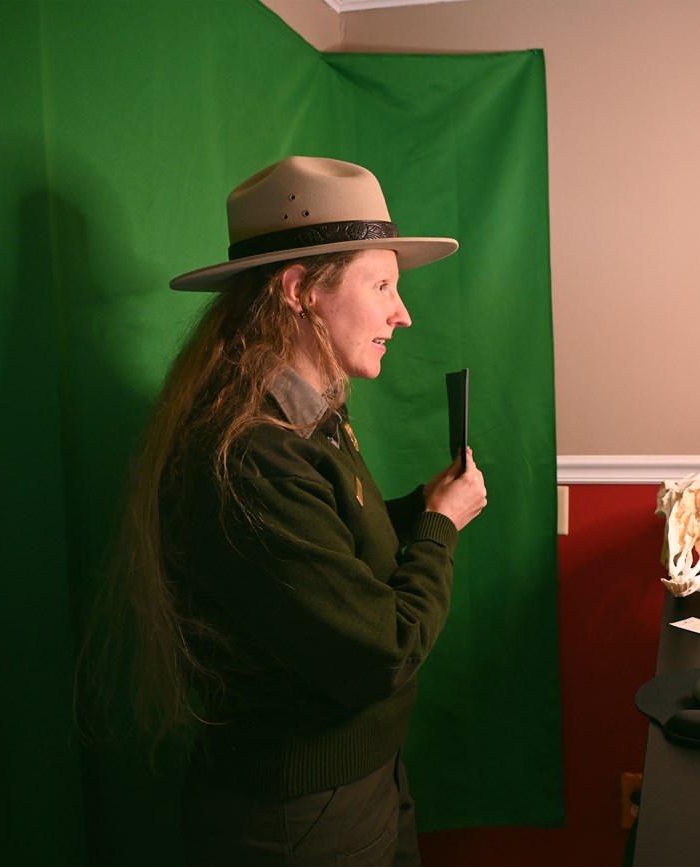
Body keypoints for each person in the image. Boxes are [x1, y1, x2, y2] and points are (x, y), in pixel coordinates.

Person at [91, 156, 487, 865]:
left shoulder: (308, 422)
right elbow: (384, 653)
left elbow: (328, 551)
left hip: (359, 782)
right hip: (302, 821)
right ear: (301, 289)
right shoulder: (249, 455)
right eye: (382, 285)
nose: (403, 311)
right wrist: (439, 525)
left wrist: (418, 509)